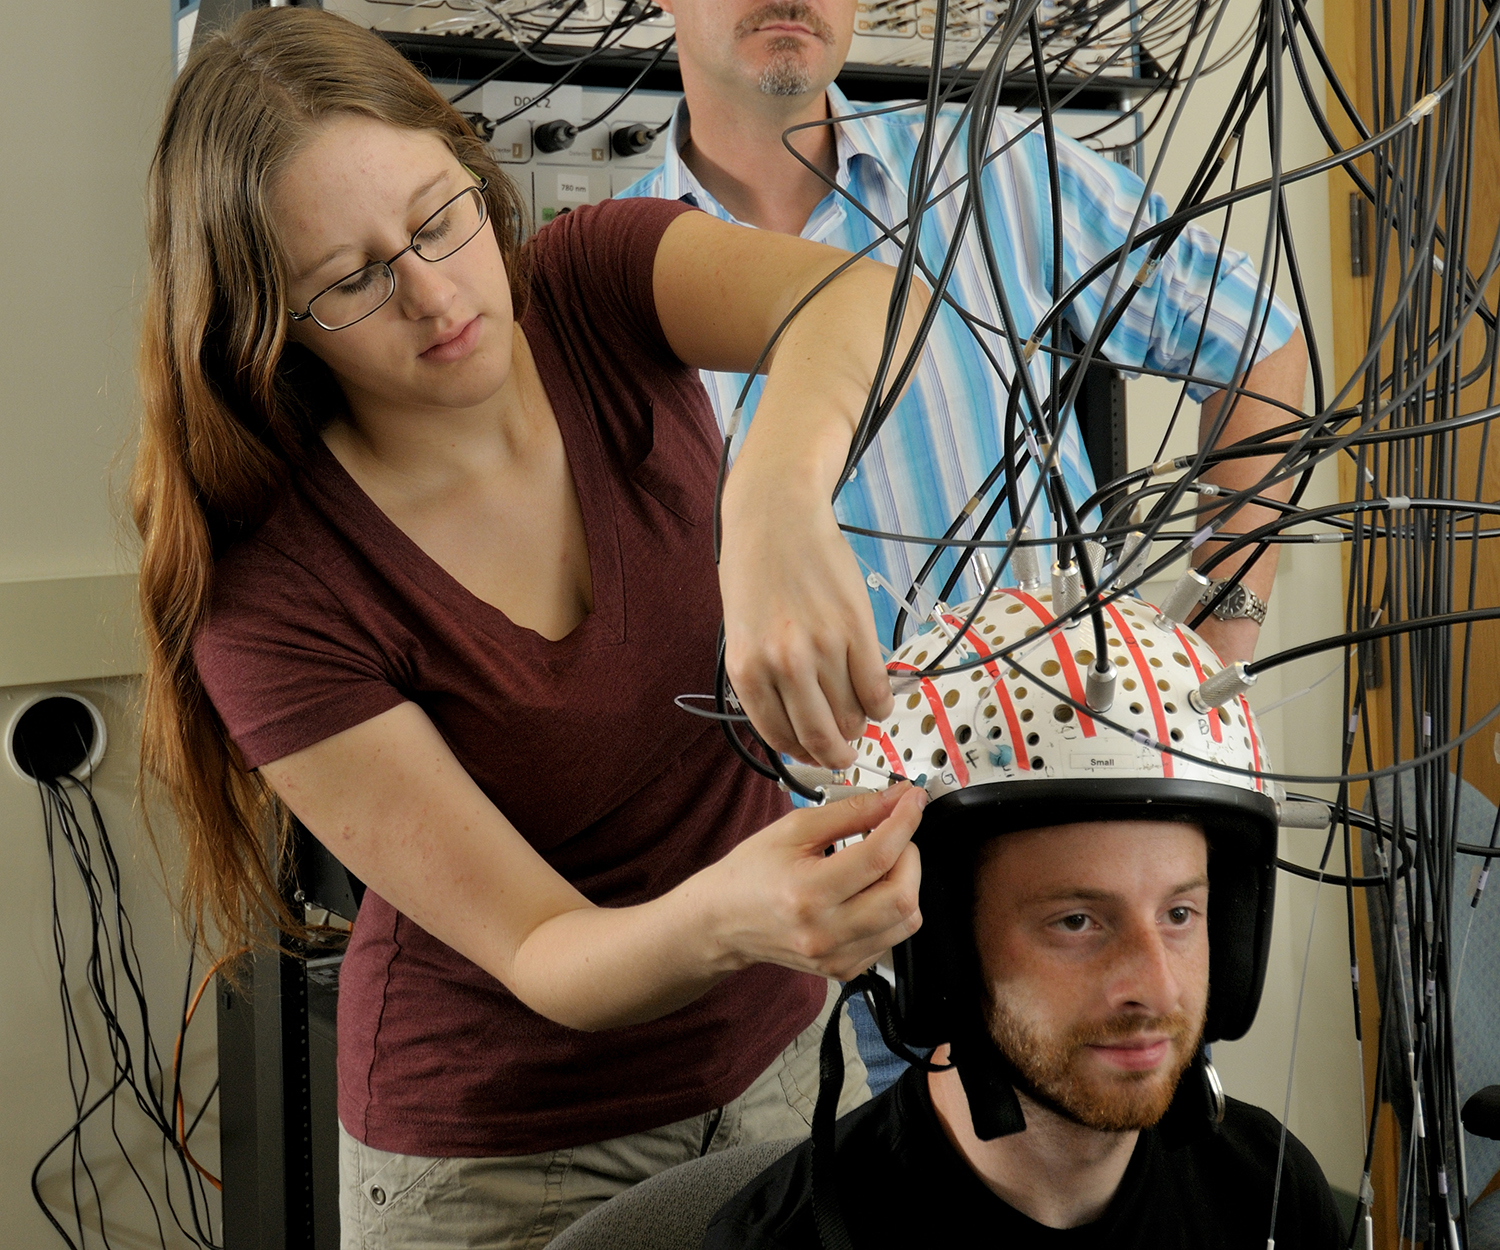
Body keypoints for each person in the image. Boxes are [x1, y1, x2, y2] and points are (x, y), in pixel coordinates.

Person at [132, 9, 931, 1248]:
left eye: (439, 216)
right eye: (352, 280)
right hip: (501, 1158)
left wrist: (773, 501)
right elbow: (547, 948)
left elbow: (865, 298)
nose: (436, 292)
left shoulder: (595, 281)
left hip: (773, 1066)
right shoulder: (270, 589)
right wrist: (746, 916)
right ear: (267, 322)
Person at [617, 0, 1309, 1093]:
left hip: (1075, 868)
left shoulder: (996, 172)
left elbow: (1261, 345)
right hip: (805, 928)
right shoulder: (603, 277)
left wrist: (1224, 623)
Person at [704, 585, 1344, 1247]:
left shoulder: (1269, 1193)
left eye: (1179, 913)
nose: (1156, 988)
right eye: (1077, 922)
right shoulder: (782, 1240)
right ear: (938, 941)